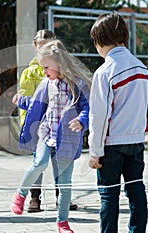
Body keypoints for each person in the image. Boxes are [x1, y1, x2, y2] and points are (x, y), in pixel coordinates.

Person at [11, 39, 92, 233]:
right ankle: (21, 194)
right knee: (39, 163)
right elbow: (36, 104)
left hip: (67, 139)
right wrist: (21, 100)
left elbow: (87, 107)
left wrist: (82, 121)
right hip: (46, 133)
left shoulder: (78, 84)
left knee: (64, 183)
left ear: (60, 63)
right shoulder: (47, 83)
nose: (44, 71)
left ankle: (62, 222)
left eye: (46, 66)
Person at [88, 12, 148, 233]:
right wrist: (141, 132)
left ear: (100, 41)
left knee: (109, 194)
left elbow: (99, 116)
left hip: (111, 145)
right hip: (136, 141)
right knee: (136, 190)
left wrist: (94, 151)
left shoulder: (104, 72)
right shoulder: (142, 68)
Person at [16, 29, 77, 213]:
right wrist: (28, 126)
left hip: (61, 127)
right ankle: (35, 198)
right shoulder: (31, 73)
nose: (44, 48)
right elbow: (29, 101)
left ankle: (62, 197)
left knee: (61, 163)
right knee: (39, 163)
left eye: (48, 45)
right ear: (35, 47)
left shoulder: (65, 73)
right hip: (40, 127)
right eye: (41, 45)